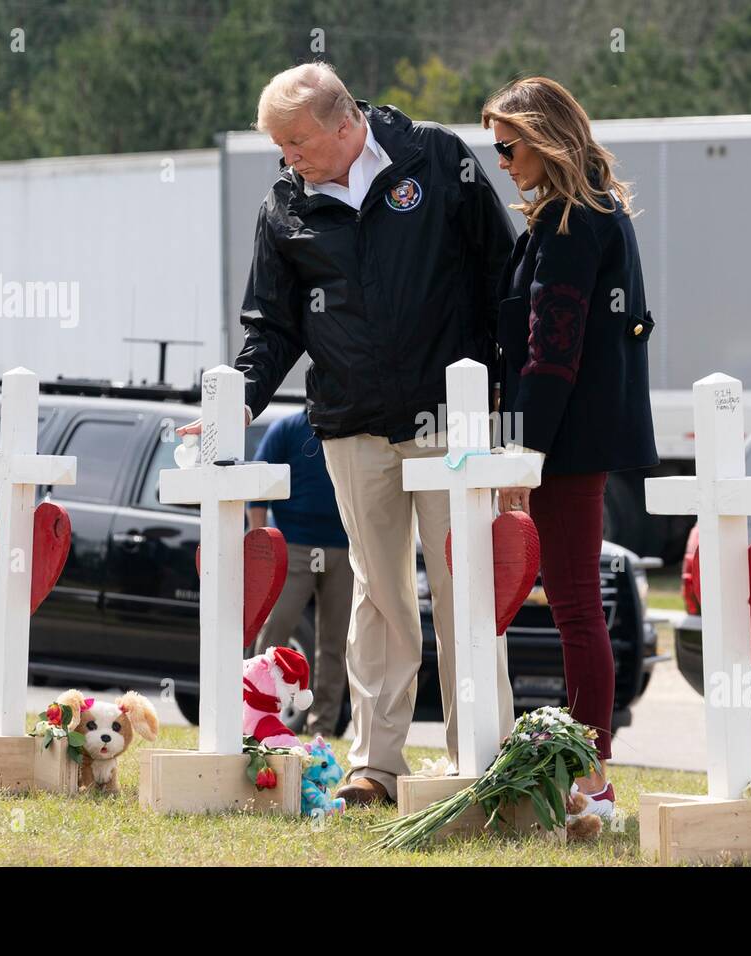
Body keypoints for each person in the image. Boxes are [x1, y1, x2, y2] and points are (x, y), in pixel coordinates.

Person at [182, 63, 517, 806]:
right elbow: (270, 326)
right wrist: (237, 402)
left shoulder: (436, 157)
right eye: (277, 144)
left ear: (344, 122)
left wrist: (507, 397)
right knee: (379, 595)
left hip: (449, 423)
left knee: (469, 591)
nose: (287, 156)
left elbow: (504, 276)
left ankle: (482, 760)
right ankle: (377, 766)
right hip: (351, 426)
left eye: (297, 141)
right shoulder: (283, 205)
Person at [482, 76, 659, 820]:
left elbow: (550, 355)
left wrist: (522, 457)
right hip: (573, 439)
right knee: (575, 605)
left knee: (578, 606)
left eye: (508, 145)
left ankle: (592, 774)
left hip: (564, 444)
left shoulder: (569, 224)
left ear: (543, 136)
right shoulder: (582, 215)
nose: (500, 161)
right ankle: (585, 768)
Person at [247, 409, 353, 739]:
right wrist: (261, 545)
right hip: (294, 547)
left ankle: (322, 727)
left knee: (336, 644)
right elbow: (258, 486)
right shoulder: (287, 429)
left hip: (343, 548)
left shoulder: (350, 425)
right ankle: (258, 712)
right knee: (276, 629)